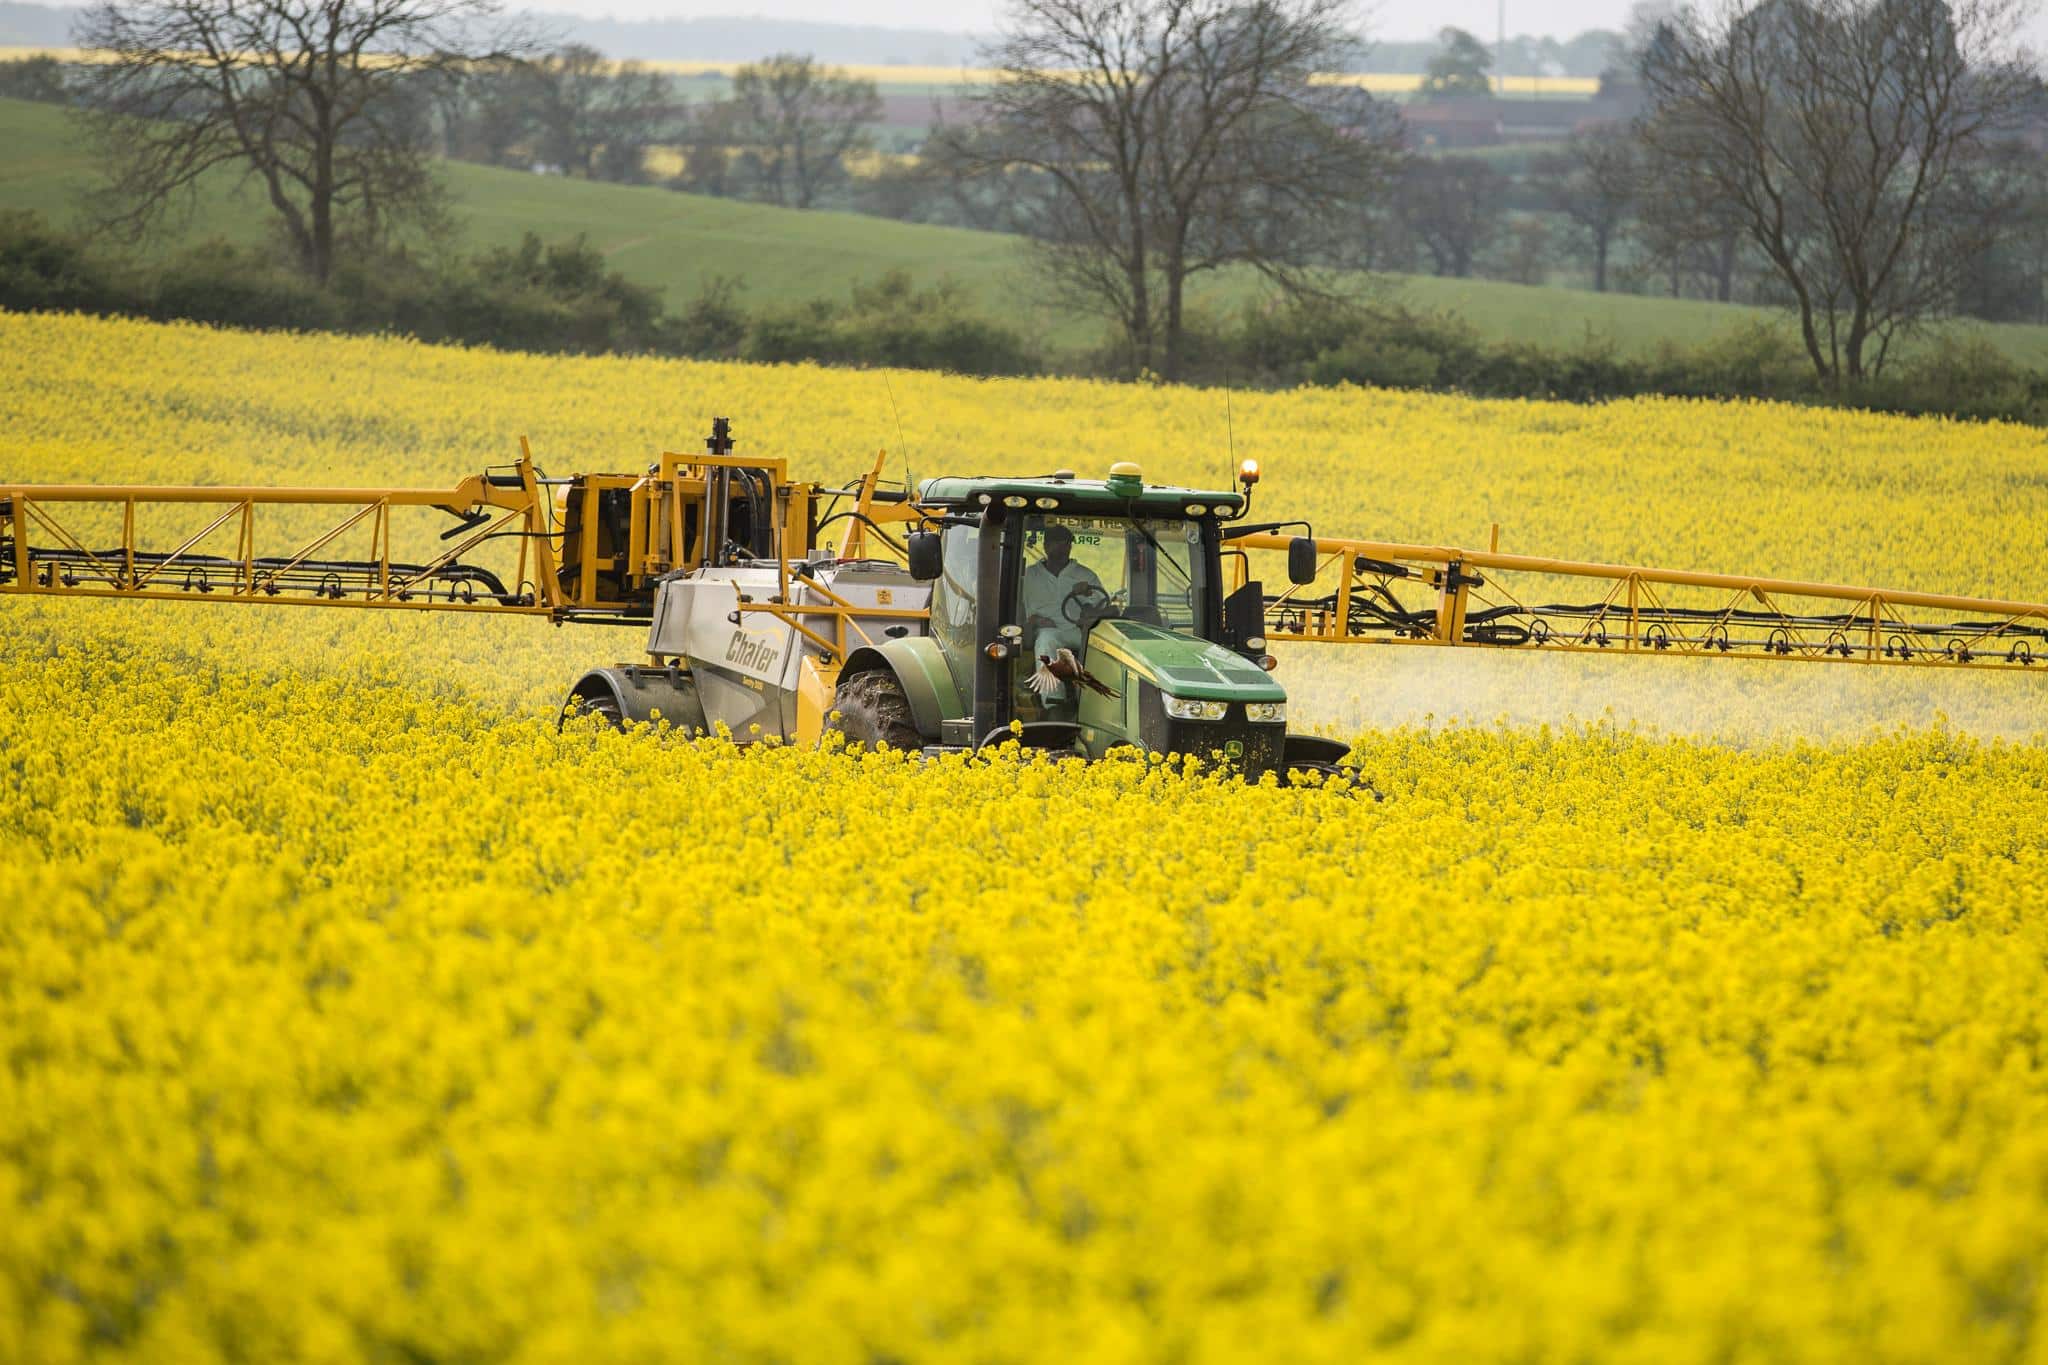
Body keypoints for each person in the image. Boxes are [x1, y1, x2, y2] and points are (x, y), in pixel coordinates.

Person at [1019, 524, 1105, 705]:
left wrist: (1088, 594)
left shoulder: (1085, 575)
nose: (1061, 547)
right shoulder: (1031, 575)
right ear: (1046, 546)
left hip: (1079, 631)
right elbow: (1021, 608)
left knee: (1101, 646)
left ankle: (1095, 703)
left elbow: (1103, 604)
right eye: (1056, 543)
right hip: (1048, 631)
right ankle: (1053, 702)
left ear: (1070, 546)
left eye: (1065, 543)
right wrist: (1035, 620)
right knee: (1046, 640)